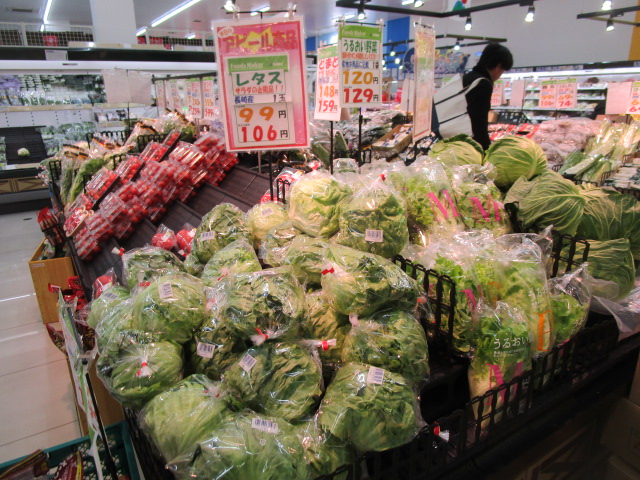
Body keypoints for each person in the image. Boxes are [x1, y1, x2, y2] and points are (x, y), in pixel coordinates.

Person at [463, 43, 513, 150]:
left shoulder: (468, 77)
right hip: (468, 142)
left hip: (452, 135)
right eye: (503, 71)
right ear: (498, 67)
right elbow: (478, 121)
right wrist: (486, 148)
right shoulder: (482, 83)